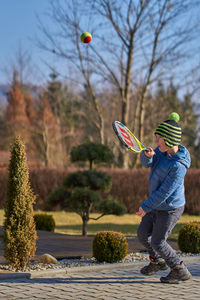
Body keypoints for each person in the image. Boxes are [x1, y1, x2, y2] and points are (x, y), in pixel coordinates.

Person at [136, 112, 191, 284]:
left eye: (160, 138)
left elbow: (164, 193)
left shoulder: (178, 166)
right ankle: (157, 262)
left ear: (169, 140)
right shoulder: (160, 152)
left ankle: (179, 270)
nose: (157, 141)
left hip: (170, 208)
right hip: (156, 204)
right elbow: (147, 164)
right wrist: (146, 157)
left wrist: (145, 206)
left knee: (159, 241)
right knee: (143, 234)